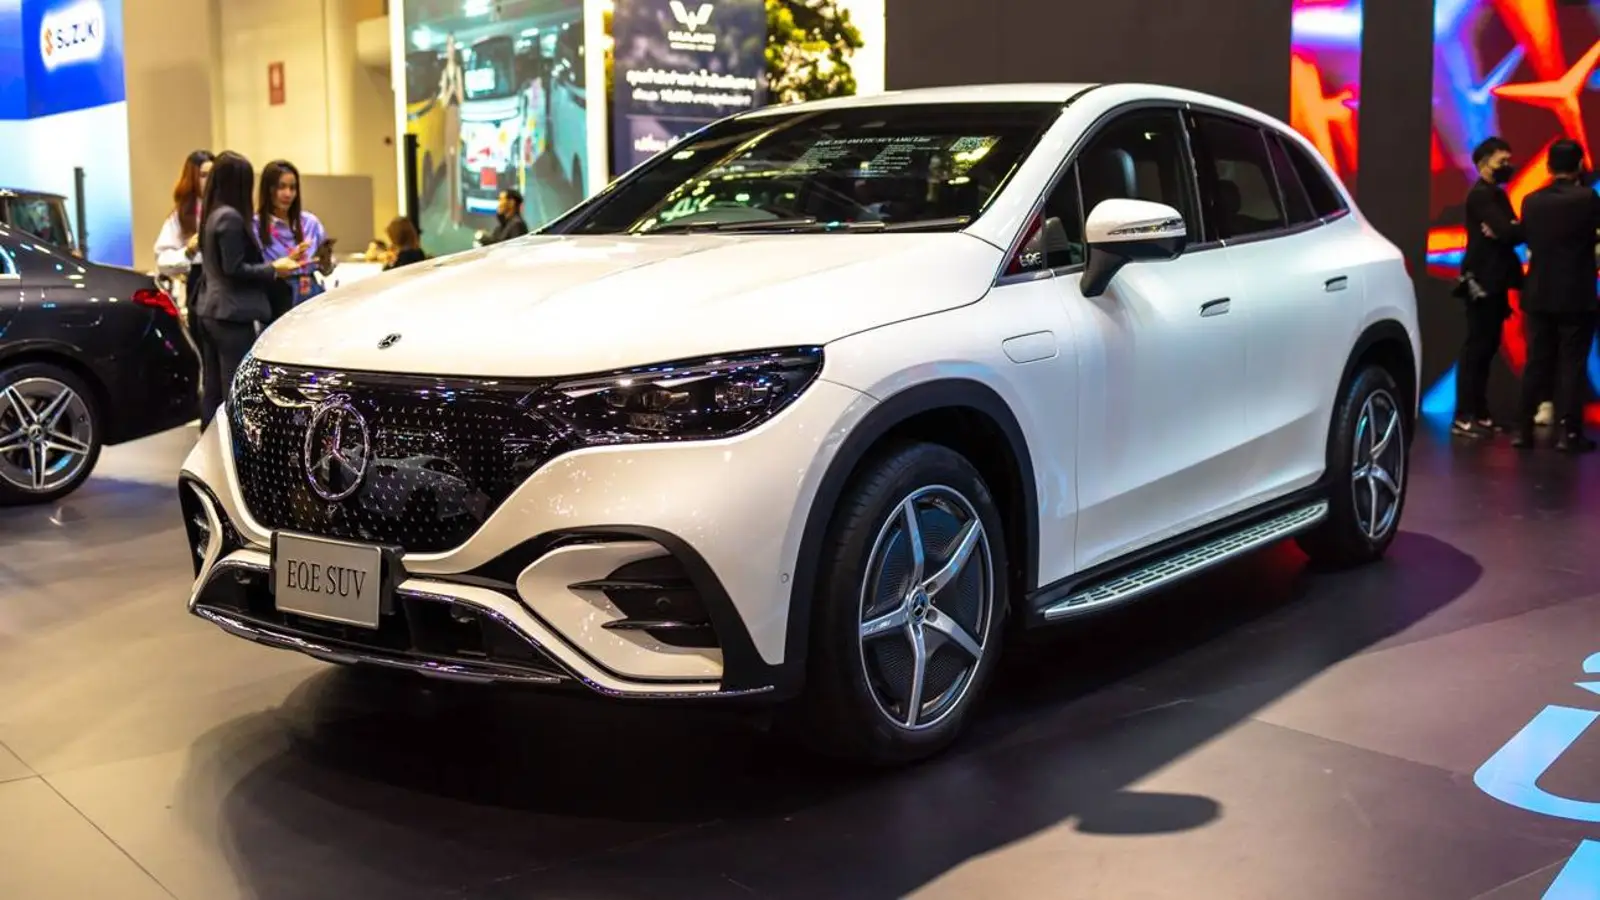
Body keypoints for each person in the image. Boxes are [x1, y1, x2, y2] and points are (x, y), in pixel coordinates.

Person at [196, 151, 304, 428]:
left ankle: (210, 443)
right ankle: (234, 446)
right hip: (231, 314)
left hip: (211, 310)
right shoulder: (230, 218)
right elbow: (234, 269)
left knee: (213, 390)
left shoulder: (211, 215)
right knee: (234, 389)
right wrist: (273, 269)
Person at [1512, 139, 1600, 452]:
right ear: (1579, 165)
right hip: (1576, 293)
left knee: (1536, 362)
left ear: (1549, 167)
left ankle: (1523, 430)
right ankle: (1569, 434)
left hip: (1538, 292)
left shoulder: (1532, 201)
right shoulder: (1588, 199)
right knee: (1572, 364)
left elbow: (1527, 238)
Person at [1453, 136, 1523, 437]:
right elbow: (1509, 231)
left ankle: (1480, 412)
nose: (1507, 166)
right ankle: (1464, 415)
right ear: (1484, 163)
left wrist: (1510, 229)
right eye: (1501, 161)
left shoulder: (1496, 194)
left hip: (1495, 280)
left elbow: (1511, 230)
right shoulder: (1482, 196)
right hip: (1482, 281)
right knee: (1477, 348)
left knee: (1487, 347)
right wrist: (1508, 229)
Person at [153, 150, 214, 347]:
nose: (209, 181)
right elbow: (163, 261)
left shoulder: (226, 210)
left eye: (212, 175)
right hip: (199, 287)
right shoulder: (181, 216)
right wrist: (188, 251)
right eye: (203, 175)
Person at [256, 159, 324, 311]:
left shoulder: (310, 223)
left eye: (292, 188)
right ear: (268, 189)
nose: (288, 194)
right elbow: (253, 270)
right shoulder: (255, 226)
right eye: (281, 187)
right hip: (277, 297)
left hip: (311, 295)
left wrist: (326, 262)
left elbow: (325, 268)